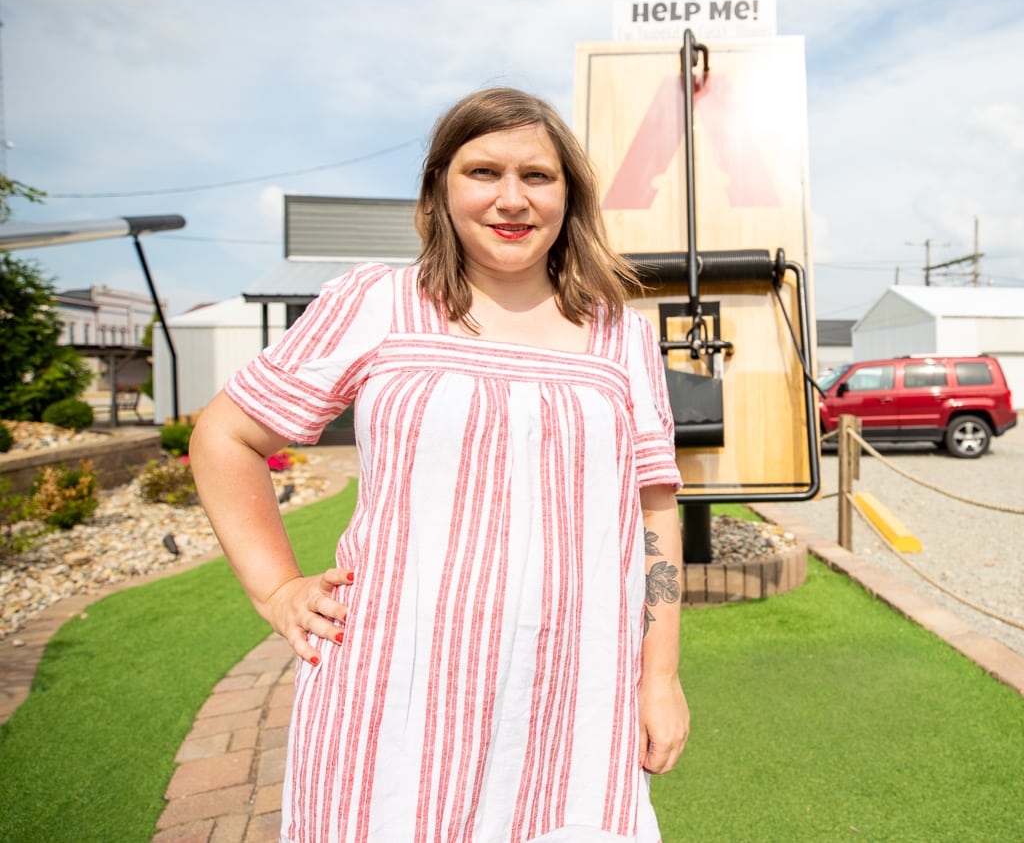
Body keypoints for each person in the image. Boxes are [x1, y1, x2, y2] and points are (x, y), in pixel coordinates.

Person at [190, 87, 688, 842]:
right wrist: (277, 588)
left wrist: (660, 677)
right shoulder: (377, 302)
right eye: (483, 171)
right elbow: (226, 435)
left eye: (538, 176)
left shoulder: (621, 333)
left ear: (570, 194)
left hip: (571, 704)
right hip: (390, 702)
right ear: (440, 190)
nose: (512, 199)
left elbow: (654, 509)